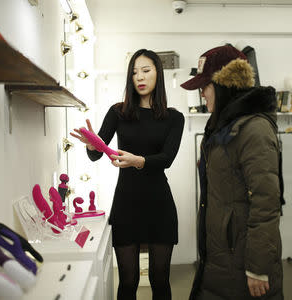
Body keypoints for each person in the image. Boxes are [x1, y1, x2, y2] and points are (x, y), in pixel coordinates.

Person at [70, 49, 185, 300]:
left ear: (158, 74)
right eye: (134, 72)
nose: (140, 77)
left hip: (160, 205)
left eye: (146, 71)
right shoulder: (118, 112)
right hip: (126, 205)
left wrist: (138, 161)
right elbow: (97, 153)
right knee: (128, 282)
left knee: (160, 281)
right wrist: (93, 145)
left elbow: (167, 159)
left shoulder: (174, 118)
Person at [181, 44, 283, 300]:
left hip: (243, 267)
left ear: (225, 84)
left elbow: (266, 202)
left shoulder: (254, 130)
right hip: (221, 261)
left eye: (205, 86)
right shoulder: (223, 128)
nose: (202, 94)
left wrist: (258, 268)